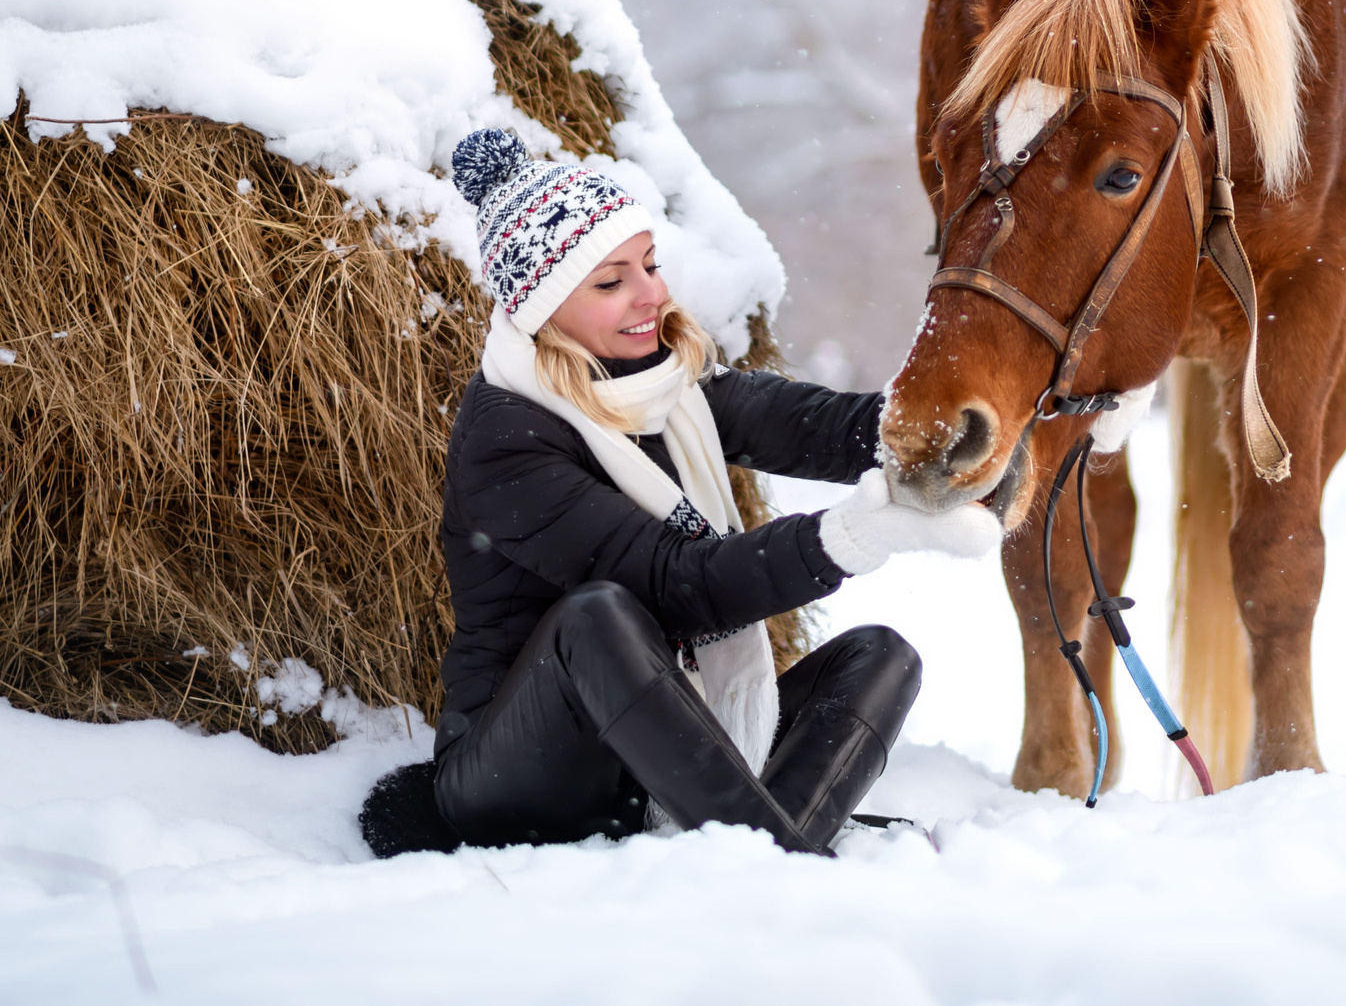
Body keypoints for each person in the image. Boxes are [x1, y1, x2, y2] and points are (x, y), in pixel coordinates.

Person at [360, 130, 998, 858]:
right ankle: (779, 854)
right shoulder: (507, 438)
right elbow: (682, 585)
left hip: (667, 745)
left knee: (882, 656)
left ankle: (773, 839)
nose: (652, 293)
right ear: (541, 305)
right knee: (597, 617)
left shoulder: (665, 386)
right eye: (611, 281)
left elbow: (814, 426)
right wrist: (852, 536)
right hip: (524, 777)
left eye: (650, 264)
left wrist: (957, 426)